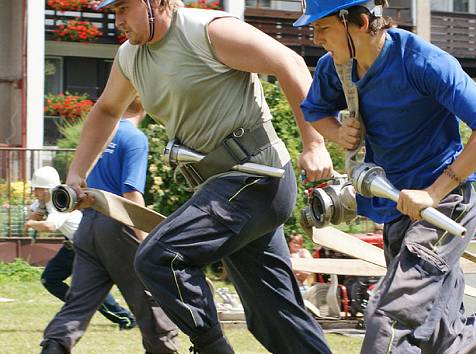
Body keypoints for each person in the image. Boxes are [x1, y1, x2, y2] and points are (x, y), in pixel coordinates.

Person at [294, 1, 476, 353]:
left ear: (358, 22)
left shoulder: (422, 61)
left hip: (443, 208)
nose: (316, 39)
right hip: (396, 210)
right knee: (441, 337)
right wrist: (337, 133)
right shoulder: (336, 69)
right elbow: (315, 111)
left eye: (322, 28)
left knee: (389, 321)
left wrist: (435, 192)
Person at [65, 1, 334, 353]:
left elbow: (290, 62)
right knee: (273, 316)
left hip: (256, 177)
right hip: (224, 187)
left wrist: (314, 143)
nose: (117, 20)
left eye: (123, 8)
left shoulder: (207, 31)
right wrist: (76, 173)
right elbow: (107, 109)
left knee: (161, 256)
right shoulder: (130, 57)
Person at [40, 98, 179, 354]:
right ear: (145, 103)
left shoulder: (98, 135)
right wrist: (147, 241)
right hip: (121, 227)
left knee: (77, 304)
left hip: (89, 227)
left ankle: (54, 346)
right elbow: (131, 194)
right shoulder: (135, 139)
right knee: (150, 300)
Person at [24, 166, 136, 331]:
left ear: (46, 189)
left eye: (37, 188)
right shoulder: (44, 201)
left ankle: (124, 318)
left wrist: (33, 223)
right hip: (72, 246)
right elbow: (33, 217)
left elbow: (50, 225)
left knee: (90, 287)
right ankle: (79, 307)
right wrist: (37, 212)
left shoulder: (60, 199)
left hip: (87, 246)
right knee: (50, 279)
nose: (34, 191)